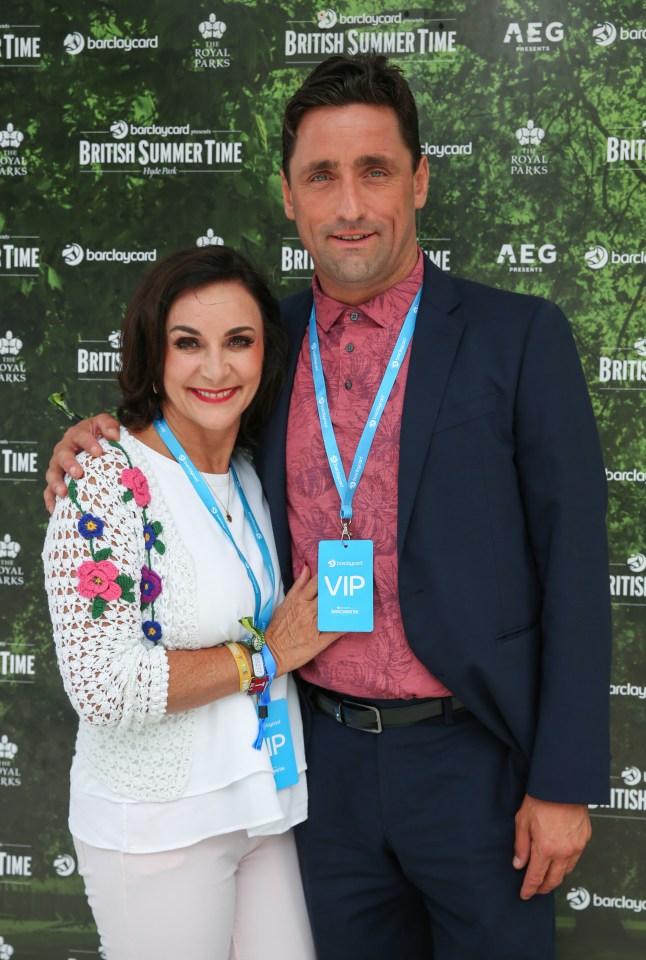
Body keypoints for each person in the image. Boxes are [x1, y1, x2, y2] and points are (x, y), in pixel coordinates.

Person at [45, 55, 612, 960]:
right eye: (322, 176)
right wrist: (101, 435)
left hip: (478, 767)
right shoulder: (265, 339)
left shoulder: (518, 337)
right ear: (288, 196)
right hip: (318, 770)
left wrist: (566, 783)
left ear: (420, 180)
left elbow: (578, 569)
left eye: (374, 170)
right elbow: (189, 419)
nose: (349, 204)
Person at [42, 246, 342, 960]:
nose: (215, 368)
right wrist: (266, 655)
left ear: (267, 355)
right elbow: (103, 685)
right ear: (154, 351)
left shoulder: (249, 471)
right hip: (157, 830)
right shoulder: (104, 483)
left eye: (238, 342)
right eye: (188, 344)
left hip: (262, 809)